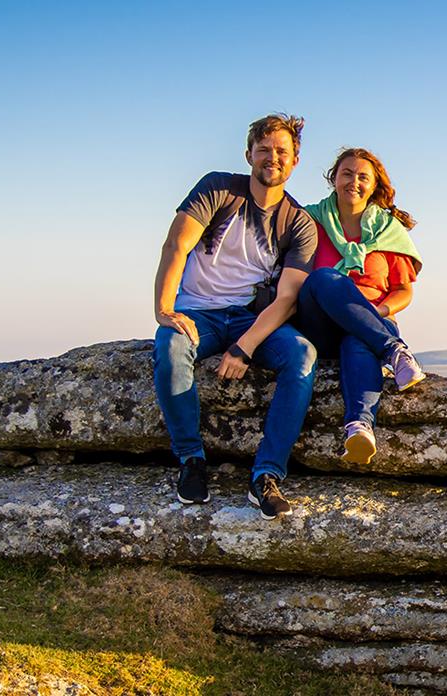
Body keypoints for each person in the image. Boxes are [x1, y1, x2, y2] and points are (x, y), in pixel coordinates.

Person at [152, 114, 318, 520]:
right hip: (197, 311)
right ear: (249, 155)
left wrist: (244, 349)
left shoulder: (299, 223)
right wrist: (164, 308)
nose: (272, 158)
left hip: (249, 319)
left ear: (295, 160)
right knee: (171, 347)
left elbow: (288, 299)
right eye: (263, 150)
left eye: (282, 151)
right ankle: (192, 460)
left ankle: (266, 474)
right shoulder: (218, 188)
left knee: (303, 355)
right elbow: (177, 243)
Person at [289, 148, 425, 465]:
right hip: (318, 321)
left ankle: (360, 427)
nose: (354, 181)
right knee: (325, 278)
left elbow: (403, 291)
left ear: (373, 185)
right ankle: (393, 351)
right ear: (333, 178)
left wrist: (371, 315)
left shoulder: (388, 229)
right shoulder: (309, 220)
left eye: (363, 176)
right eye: (347, 173)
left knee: (359, 338)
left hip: (370, 322)